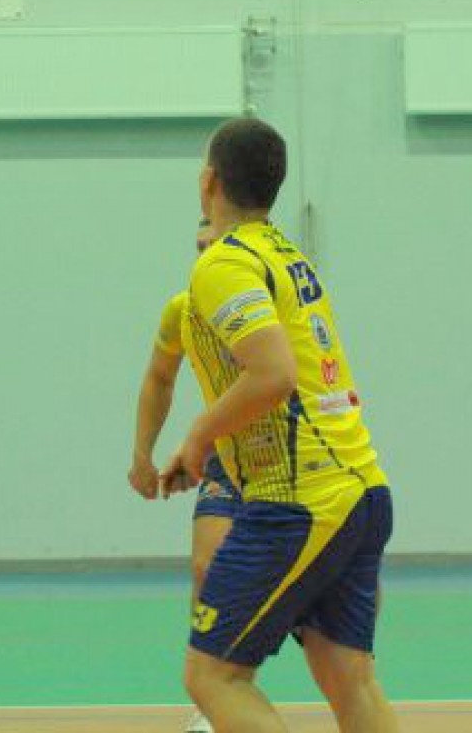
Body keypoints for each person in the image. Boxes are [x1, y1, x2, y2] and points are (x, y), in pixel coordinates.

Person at [160, 118, 397, 733]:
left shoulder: (223, 262)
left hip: (298, 498)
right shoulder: (289, 257)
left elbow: (273, 374)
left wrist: (198, 433)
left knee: (213, 677)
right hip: (362, 488)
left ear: (208, 181)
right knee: (348, 677)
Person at [129, 219, 239, 733]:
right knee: (206, 568)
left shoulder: (261, 307)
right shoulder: (184, 310)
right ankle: (210, 705)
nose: (203, 256)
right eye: (198, 247)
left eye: (213, 246)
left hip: (288, 463)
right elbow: (159, 377)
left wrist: (198, 438)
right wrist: (142, 455)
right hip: (226, 459)